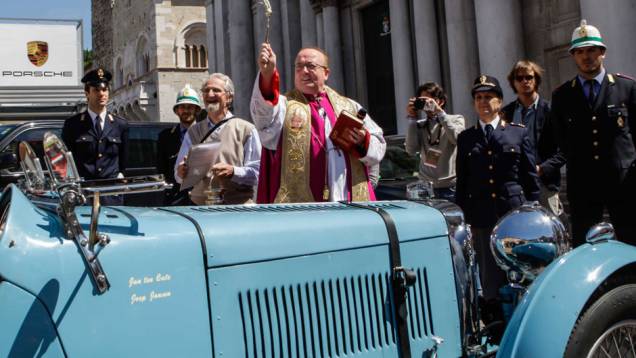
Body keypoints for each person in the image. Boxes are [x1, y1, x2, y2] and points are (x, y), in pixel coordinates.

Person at [251, 43, 386, 203]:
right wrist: (267, 75)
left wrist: (363, 140)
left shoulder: (350, 107)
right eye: (299, 67)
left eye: (310, 66)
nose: (304, 71)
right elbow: (263, 114)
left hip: (349, 201)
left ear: (326, 73)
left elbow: (378, 147)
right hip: (302, 209)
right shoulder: (283, 106)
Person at [547, 20, 636, 246]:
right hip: (583, 185)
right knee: (586, 246)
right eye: (580, 52)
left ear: (602, 52)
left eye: (591, 50)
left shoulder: (627, 87)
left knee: (631, 240)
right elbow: (561, 140)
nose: (586, 57)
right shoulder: (562, 96)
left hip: (623, 183)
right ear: (573, 56)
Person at [456, 75, 540, 302]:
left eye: (489, 97)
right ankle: (494, 320)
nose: (483, 102)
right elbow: (463, 182)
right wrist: (462, 218)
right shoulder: (466, 138)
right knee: (489, 275)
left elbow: (529, 176)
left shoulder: (517, 132)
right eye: (479, 97)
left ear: (500, 102)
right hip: (482, 215)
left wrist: (534, 209)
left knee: (519, 270)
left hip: (513, 212)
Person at [175, 73, 261, 205]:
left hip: (237, 209)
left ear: (229, 97)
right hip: (200, 208)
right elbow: (178, 176)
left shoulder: (246, 129)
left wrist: (233, 172)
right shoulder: (193, 132)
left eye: (216, 90)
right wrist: (182, 172)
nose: (210, 94)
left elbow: (258, 173)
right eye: (206, 91)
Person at [502, 61, 563, 217]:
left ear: (536, 80)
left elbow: (564, 149)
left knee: (551, 229)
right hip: (516, 185)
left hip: (545, 184)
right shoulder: (506, 113)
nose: (524, 81)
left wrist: (542, 168)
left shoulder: (551, 110)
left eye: (529, 77)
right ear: (513, 83)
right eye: (519, 78)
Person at [62, 68, 128, 206]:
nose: (101, 94)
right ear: (87, 93)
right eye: (96, 90)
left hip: (111, 195)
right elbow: (66, 162)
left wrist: (120, 178)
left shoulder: (120, 125)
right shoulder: (72, 125)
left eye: (105, 90)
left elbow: (124, 161)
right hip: (84, 194)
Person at [405, 82, 465, 201]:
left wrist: (440, 113)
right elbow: (411, 150)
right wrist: (412, 118)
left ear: (441, 101)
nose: (426, 104)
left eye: (429, 100)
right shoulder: (419, 125)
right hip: (425, 188)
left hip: (450, 188)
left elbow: (457, 139)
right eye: (422, 100)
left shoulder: (456, 119)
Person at [157, 84, 202, 205]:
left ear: (197, 110)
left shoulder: (206, 133)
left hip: (201, 196)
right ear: (176, 111)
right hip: (175, 197)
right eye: (182, 107)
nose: (186, 110)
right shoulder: (165, 136)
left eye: (190, 107)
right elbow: (161, 169)